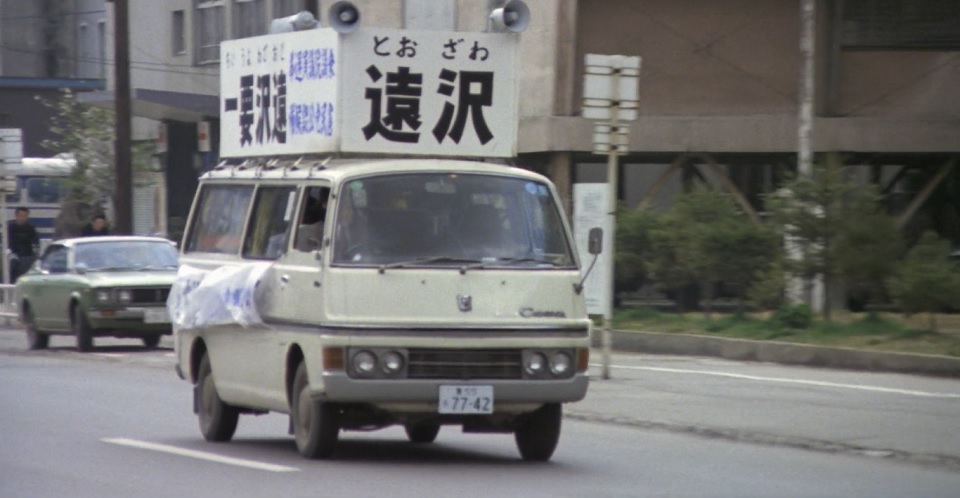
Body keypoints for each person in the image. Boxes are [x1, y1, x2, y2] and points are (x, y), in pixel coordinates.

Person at [8, 207, 39, 282]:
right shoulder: (9, 227)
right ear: (16, 215)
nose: (22, 218)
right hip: (12, 253)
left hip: (26, 255)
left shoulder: (30, 228)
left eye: (25, 216)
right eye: (20, 216)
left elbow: (35, 242)